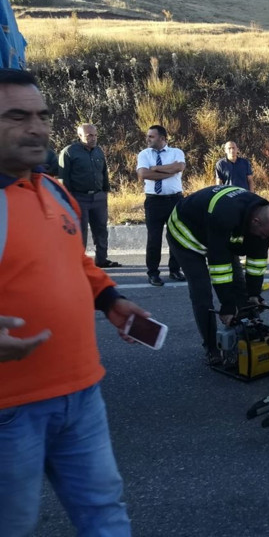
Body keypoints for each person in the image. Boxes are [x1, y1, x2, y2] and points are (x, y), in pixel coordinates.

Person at [0, 67, 150, 536]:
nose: (38, 127)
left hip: (81, 394)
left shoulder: (54, 189)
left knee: (104, 512)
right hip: (9, 408)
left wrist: (110, 300)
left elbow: (77, 263)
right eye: (17, 116)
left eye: (42, 115)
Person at [166, 185, 269, 365]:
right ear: (256, 222)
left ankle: (246, 337)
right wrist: (227, 308)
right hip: (186, 235)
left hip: (216, 233)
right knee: (202, 291)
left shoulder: (261, 218)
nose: (263, 239)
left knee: (239, 283)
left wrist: (254, 294)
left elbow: (257, 262)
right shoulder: (224, 216)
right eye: (262, 234)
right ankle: (212, 348)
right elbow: (219, 267)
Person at [59, 123, 120, 268]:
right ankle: (78, 262)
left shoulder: (98, 151)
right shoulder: (69, 152)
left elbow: (104, 172)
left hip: (98, 197)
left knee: (101, 230)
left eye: (95, 135)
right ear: (80, 136)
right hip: (78, 198)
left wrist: (105, 191)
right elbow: (63, 179)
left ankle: (102, 259)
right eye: (89, 136)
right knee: (81, 232)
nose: (93, 138)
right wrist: (67, 199)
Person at [136, 124, 186, 286]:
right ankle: (153, 273)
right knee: (154, 239)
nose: (148, 139)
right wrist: (169, 172)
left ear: (162, 138)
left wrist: (156, 168)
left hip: (175, 200)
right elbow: (143, 174)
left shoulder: (176, 152)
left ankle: (174, 270)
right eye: (148, 136)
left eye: (152, 136)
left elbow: (179, 167)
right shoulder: (144, 154)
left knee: (176, 236)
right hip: (154, 201)